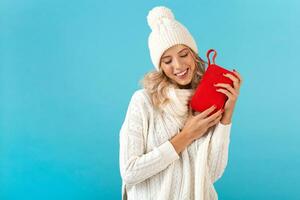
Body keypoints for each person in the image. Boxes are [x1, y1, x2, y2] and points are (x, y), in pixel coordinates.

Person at [119, 6, 243, 200]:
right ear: (159, 66)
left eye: (184, 54)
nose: (178, 66)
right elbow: (130, 172)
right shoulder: (143, 102)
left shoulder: (205, 101)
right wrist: (186, 136)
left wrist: (227, 116)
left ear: (194, 54)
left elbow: (212, 173)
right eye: (167, 60)